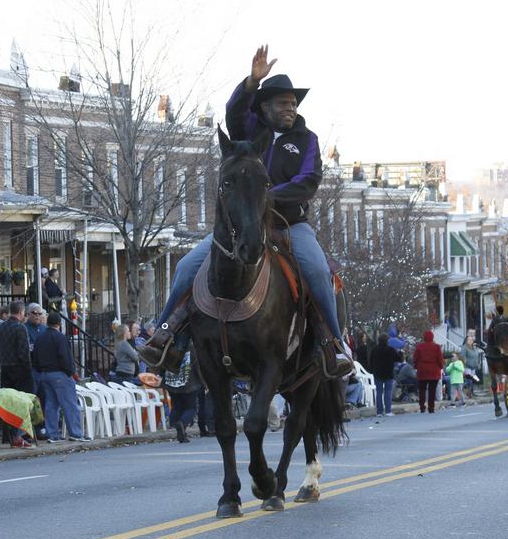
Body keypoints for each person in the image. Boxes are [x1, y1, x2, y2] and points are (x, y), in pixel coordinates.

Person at [139, 45, 352, 378]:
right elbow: (234, 111)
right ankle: (164, 336)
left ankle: (335, 345)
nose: (291, 108)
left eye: (294, 103)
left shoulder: (307, 140)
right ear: (266, 105)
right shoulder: (250, 130)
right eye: (284, 102)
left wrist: (263, 197)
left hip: (289, 225)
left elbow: (308, 181)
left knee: (319, 273)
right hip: (242, 226)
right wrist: (252, 81)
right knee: (185, 267)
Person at [33, 312, 89, 443]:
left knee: (51, 405)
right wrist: (70, 372)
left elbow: (34, 358)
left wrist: (41, 370)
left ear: (47, 323)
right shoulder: (60, 338)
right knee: (69, 404)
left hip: (44, 374)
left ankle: (53, 434)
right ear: (59, 324)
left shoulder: (40, 338)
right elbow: (66, 358)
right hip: (59, 374)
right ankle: (76, 433)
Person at [163, 346, 201, 443]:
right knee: (191, 408)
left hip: (171, 381)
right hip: (189, 382)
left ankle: (179, 430)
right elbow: (197, 366)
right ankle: (182, 423)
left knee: (177, 406)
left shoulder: (168, 345)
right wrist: (202, 381)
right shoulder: (191, 347)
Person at [0, 301, 35, 394]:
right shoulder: (20, 328)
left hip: (4, 367)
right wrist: (28, 369)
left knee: (8, 399)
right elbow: (23, 352)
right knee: (22, 399)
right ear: (20, 312)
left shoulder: (1, 326)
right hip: (19, 370)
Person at [369, 333, 400, 417]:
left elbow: (370, 361)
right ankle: (388, 411)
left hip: (378, 373)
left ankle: (379, 412)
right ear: (387, 341)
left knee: (379, 392)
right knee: (388, 392)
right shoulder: (391, 349)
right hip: (388, 373)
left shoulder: (374, 349)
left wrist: (372, 370)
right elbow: (399, 359)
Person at [412, 330, 443, 414]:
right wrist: (441, 366)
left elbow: (415, 358)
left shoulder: (419, 347)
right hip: (434, 371)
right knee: (432, 390)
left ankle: (422, 407)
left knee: (422, 390)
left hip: (422, 371)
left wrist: (416, 366)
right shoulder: (437, 347)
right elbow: (440, 359)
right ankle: (431, 407)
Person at [460, 331, 484, 398]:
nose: (471, 341)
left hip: (473, 367)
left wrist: (477, 363)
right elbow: (462, 356)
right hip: (467, 367)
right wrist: (463, 366)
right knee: (469, 380)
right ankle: (464, 391)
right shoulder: (464, 348)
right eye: (469, 340)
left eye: (472, 340)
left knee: (472, 380)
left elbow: (476, 355)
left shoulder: (474, 347)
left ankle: (471, 392)